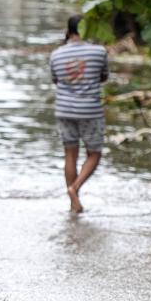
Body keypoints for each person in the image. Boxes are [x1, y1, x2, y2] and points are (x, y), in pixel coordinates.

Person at [49, 15, 109, 213]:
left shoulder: (56, 54)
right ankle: (74, 188)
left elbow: (56, 81)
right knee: (94, 153)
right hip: (90, 110)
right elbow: (103, 77)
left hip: (64, 109)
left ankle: (73, 203)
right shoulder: (99, 52)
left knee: (70, 154)